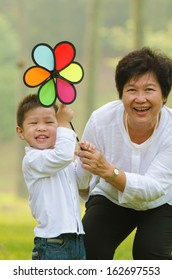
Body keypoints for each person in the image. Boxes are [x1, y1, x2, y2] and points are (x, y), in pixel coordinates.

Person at [75, 47, 172, 260]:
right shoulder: (100, 121)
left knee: (150, 253)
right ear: (121, 94)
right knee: (88, 247)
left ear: (164, 95)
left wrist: (109, 172)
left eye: (149, 90)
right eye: (131, 90)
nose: (140, 99)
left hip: (161, 202)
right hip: (111, 197)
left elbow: (154, 189)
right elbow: (80, 179)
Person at [16, 93, 87, 260]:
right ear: (21, 132)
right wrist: (63, 123)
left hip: (76, 239)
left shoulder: (62, 161)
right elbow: (62, 156)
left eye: (49, 122)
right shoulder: (32, 160)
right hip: (52, 243)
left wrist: (84, 160)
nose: (41, 127)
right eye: (33, 123)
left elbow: (82, 183)